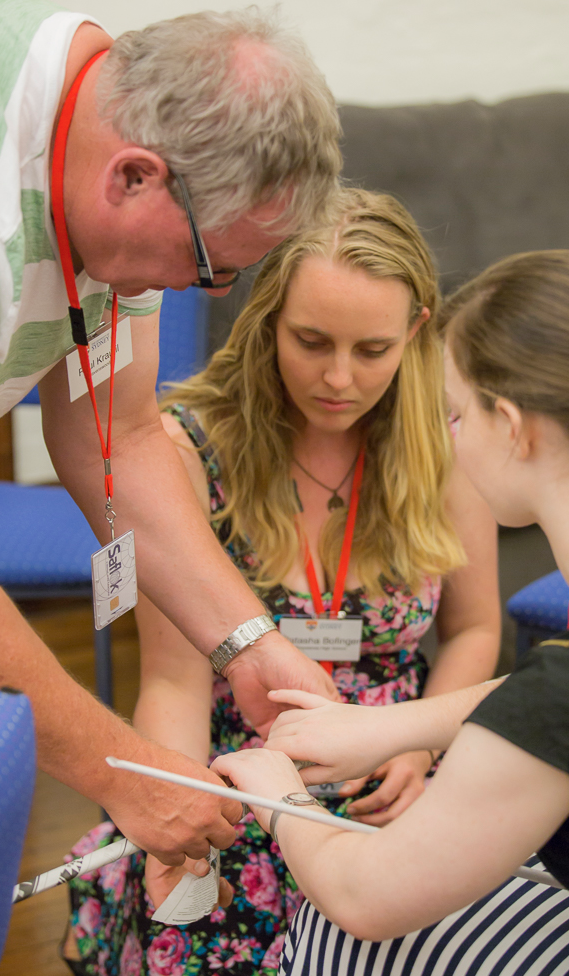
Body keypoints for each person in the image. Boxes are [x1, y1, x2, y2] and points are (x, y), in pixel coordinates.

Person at [64, 188, 501, 974]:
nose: (337, 378)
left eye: (371, 350)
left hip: (392, 768)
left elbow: (474, 631)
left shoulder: (446, 447)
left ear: (416, 331)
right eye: (310, 341)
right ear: (267, 322)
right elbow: (174, 680)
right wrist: (186, 813)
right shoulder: (184, 451)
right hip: (240, 773)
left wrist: (423, 750)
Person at [214, 249, 569, 975]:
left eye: (454, 414)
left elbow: (363, 896)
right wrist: (398, 725)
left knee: (337, 940)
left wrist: (279, 796)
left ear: (513, 426)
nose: (445, 436)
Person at [0, 1, 340, 866]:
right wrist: (124, 773)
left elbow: (119, 434)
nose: (212, 294)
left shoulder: (112, 116)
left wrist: (247, 642)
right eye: (209, 265)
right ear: (134, 178)